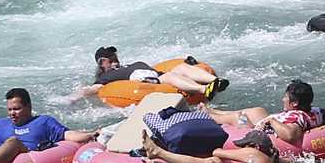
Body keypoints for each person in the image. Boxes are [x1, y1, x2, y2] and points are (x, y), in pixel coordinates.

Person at [211, 79, 325, 152]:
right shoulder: (317, 112)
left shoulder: (296, 118)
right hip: (267, 120)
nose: (283, 99)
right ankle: (215, 111)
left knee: (239, 117)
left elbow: (290, 135)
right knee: (257, 110)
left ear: (294, 103)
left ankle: (211, 115)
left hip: (254, 130)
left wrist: (272, 121)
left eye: (286, 97)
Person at [76, 46, 226, 102]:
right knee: (168, 77)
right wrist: (75, 97)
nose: (116, 59)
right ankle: (204, 90)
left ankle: (216, 81)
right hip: (147, 80)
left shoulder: (122, 67)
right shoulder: (105, 78)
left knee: (181, 67)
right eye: (112, 58)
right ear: (103, 62)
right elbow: (93, 89)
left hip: (156, 74)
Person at [141, 125, 291, 163]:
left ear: (255, 147)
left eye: (244, 145)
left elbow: (218, 152)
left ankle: (158, 152)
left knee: (211, 162)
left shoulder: (254, 154)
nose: (241, 148)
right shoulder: (271, 160)